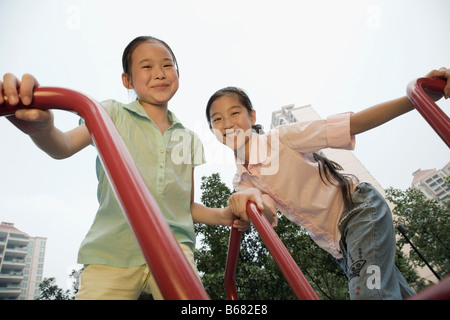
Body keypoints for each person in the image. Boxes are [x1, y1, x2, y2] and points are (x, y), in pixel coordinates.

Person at [0, 35, 248, 300]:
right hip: (113, 248)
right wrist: (43, 130)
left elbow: (185, 206)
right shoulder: (111, 113)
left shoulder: (188, 137)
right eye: (147, 66)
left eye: (167, 65)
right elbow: (64, 146)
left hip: (173, 247)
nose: (159, 74)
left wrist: (222, 216)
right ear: (127, 81)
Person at [205, 67, 450, 300]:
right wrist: (247, 208)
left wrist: (420, 98)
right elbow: (266, 213)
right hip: (340, 248)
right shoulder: (243, 181)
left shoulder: (281, 139)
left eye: (235, 113)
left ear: (252, 116)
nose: (227, 123)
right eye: (217, 119)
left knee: (370, 295)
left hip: (358, 212)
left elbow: (351, 125)